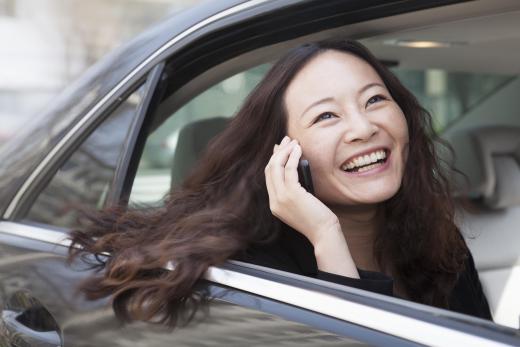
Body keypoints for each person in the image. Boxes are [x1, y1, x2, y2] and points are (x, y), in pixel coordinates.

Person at [69, 39, 492, 326]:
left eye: (375, 100)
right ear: (283, 155)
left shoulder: (441, 245)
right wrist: (327, 237)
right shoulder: (248, 277)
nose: (363, 128)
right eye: (327, 116)